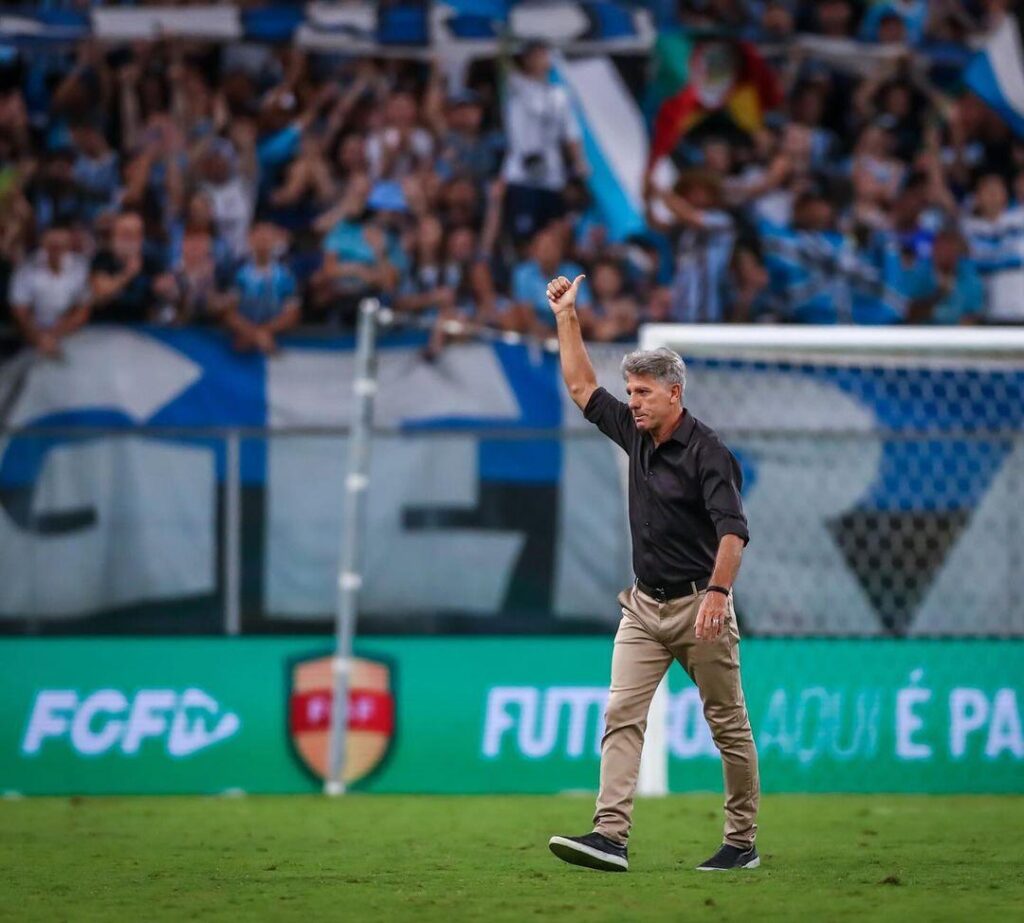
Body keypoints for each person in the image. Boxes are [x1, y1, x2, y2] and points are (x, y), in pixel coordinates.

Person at [545, 273, 759, 874]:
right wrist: (567, 316)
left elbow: (733, 532)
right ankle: (609, 836)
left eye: (641, 392)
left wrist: (718, 592)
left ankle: (741, 842)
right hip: (643, 606)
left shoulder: (708, 453)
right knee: (620, 714)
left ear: (673, 394)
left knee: (728, 725)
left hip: (700, 605)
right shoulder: (636, 434)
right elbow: (582, 385)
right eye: (630, 392)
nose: (631, 402)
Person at [8, 223, 91, 356]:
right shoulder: (26, 266)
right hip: (30, 336)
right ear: (43, 243)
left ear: (69, 244)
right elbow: (20, 310)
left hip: (68, 333)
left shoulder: (79, 266)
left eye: (61, 246)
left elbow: (83, 310)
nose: (56, 250)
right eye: (52, 246)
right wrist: (39, 338)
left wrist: (55, 335)